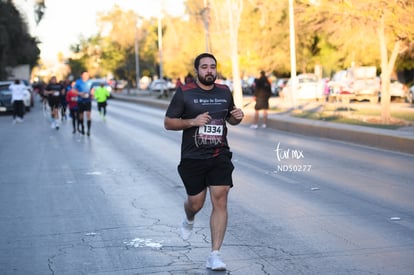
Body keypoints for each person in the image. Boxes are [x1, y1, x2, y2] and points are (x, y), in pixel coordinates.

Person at [164, 53, 244, 271]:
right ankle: (189, 217)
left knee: (221, 198)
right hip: (193, 157)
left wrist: (237, 117)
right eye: (205, 67)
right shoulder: (184, 92)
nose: (209, 70)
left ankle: (215, 254)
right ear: (197, 70)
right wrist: (193, 121)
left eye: (212, 67)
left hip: (219, 155)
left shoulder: (224, 91)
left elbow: (230, 118)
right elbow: (168, 123)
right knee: (196, 203)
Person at [74, 71, 92, 136]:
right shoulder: (78, 82)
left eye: (87, 75)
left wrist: (92, 93)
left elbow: (93, 90)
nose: (86, 76)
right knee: (81, 116)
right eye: (84, 75)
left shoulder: (90, 82)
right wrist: (79, 93)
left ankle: (88, 130)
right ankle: (82, 127)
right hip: (80, 101)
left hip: (88, 100)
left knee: (88, 115)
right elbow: (74, 90)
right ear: (81, 75)